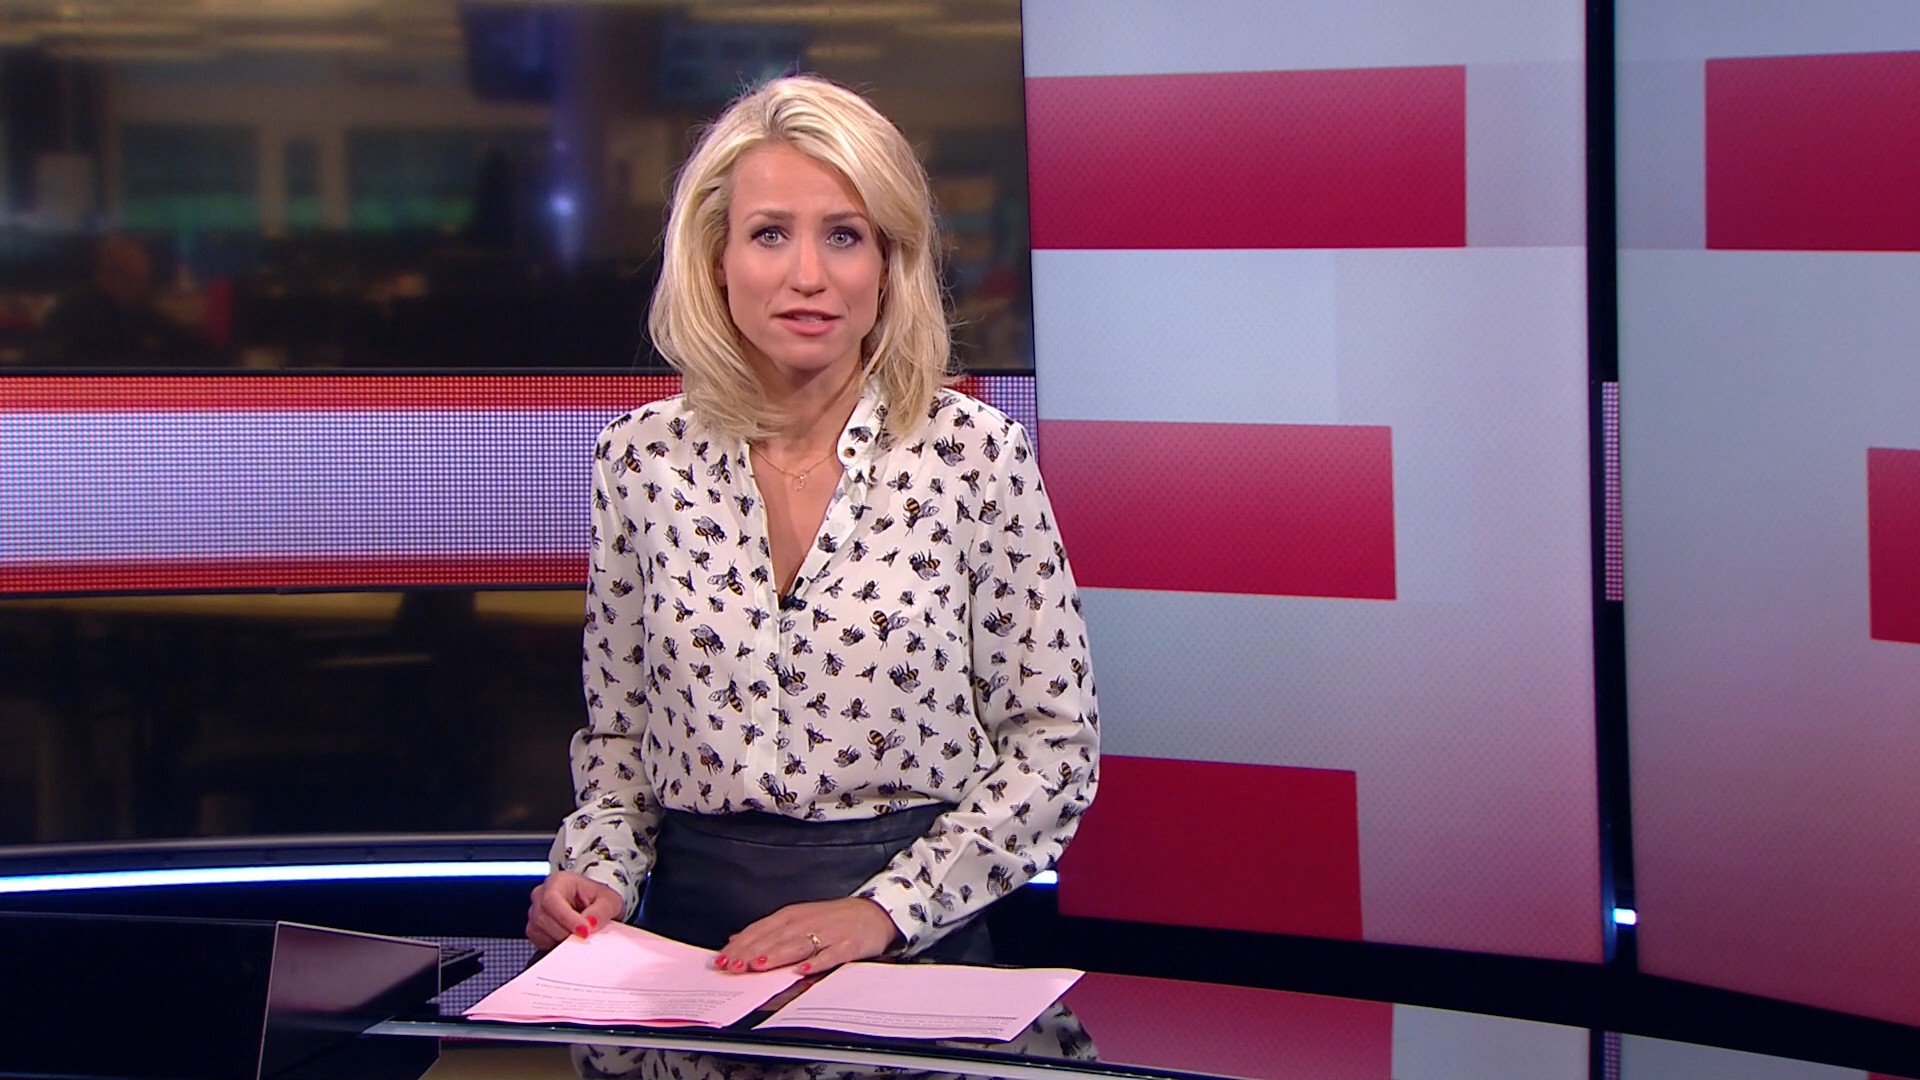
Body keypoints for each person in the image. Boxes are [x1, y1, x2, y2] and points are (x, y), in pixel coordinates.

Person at [525, 74, 1099, 974]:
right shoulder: (640, 460)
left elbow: (1054, 747)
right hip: (689, 955)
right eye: (769, 234)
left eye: (844, 235)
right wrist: (596, 871)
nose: (808, 276)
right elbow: (621, 741)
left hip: (912, 947)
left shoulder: (975, 456)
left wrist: (882, 912)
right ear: (716, 259)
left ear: (889, 262)